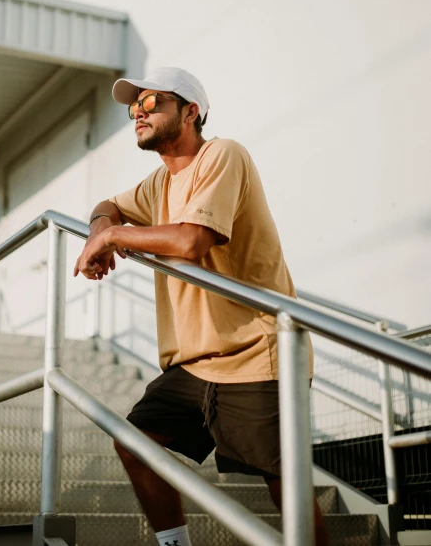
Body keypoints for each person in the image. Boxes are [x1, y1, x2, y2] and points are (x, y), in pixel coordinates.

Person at [74, 67, 328, 546]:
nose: (138, 114)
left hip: (255, 352)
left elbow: (191, 241)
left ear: (190, 112)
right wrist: (98, 232)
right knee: (134, 443)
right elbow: (106, 204)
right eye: (134, 107)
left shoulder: (223, 155)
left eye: (152, 104)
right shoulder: (157, 185)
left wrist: (113, 236)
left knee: (281, 480)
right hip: (194, 364)